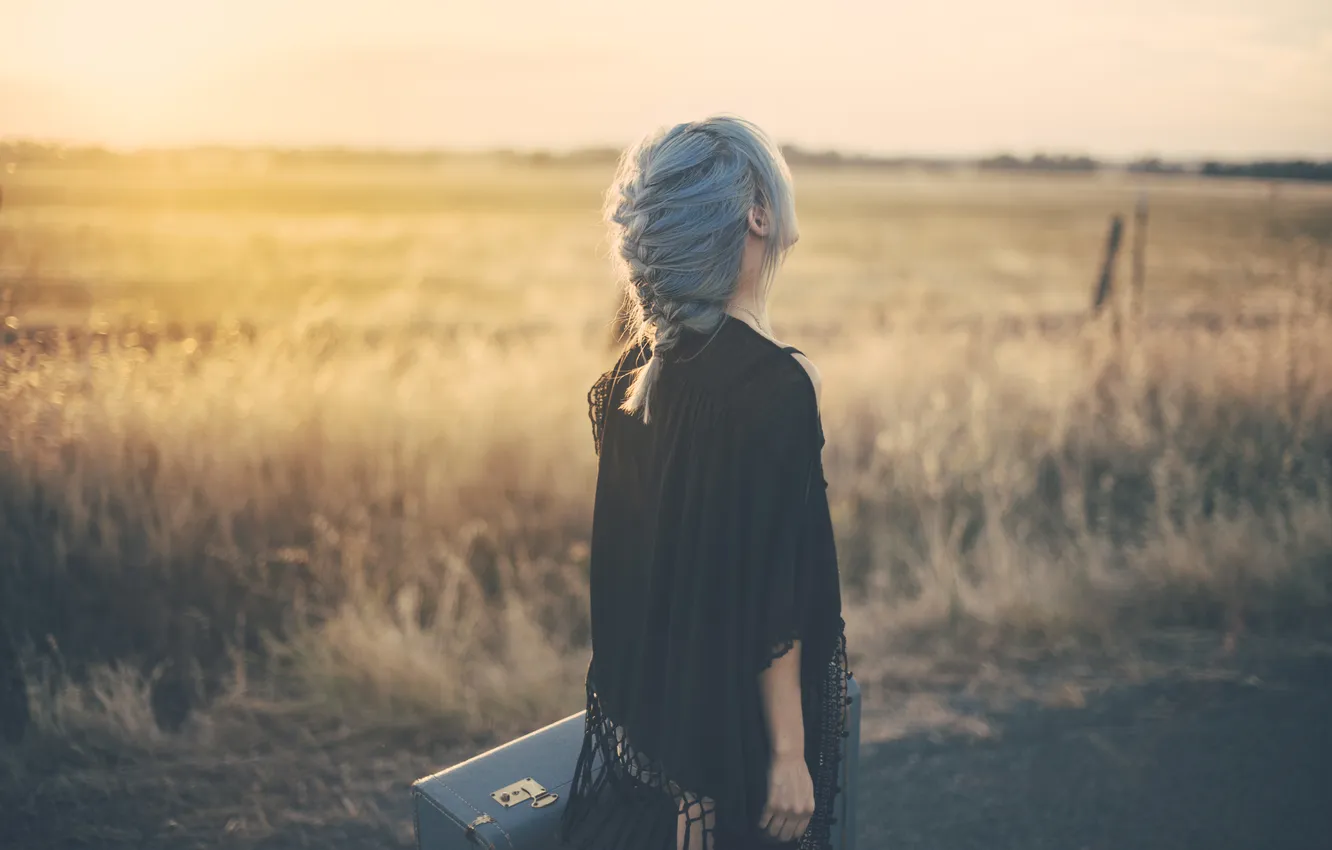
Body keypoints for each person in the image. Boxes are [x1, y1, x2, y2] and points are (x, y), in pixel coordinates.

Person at [559, 116, 850, 850]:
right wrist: (788, 756)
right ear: (756, 215)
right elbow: (774, 599)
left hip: (658, 740)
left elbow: (638, 574)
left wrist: (678, 773)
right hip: (739, 748)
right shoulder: (775, 385)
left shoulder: (633, 378)